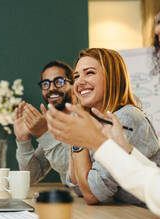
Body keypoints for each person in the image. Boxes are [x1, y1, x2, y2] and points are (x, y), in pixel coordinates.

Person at [62, 48, 160, 205]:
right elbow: (76, 184)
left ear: (111, 78)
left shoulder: (125, 118)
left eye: (90, 73)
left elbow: (92, 194)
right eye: (76, 76)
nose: (79, 82)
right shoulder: (93, 120)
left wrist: (79, 140)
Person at [46, 103, 160, 216]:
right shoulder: (103, 121)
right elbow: (80, 188)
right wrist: (125, 149)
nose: (79, 84)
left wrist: (99, 145)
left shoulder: (126, 115)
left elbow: (91, 193)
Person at [14, 60, 74, 184]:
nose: (51, 88)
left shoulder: (86, 119)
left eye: (58, 82)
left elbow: (73, 170)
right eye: (45, 84)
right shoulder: (55, 123)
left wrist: (43, 133)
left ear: (73, 84)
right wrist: (22, 139)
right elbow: (31, 177)